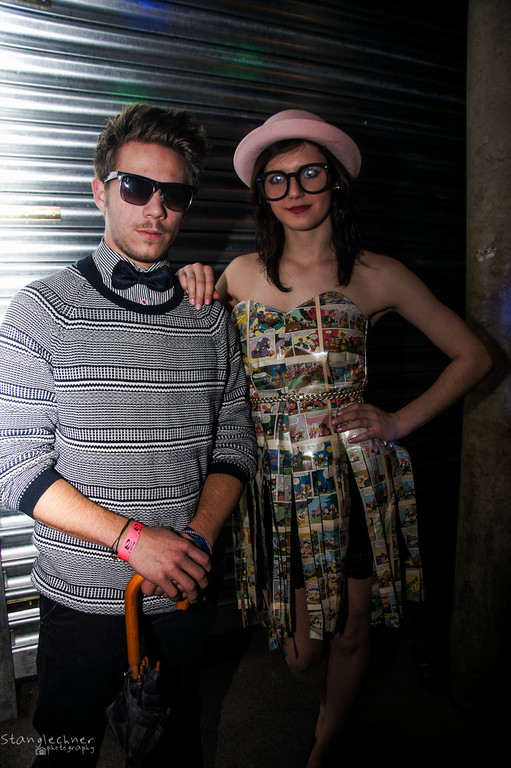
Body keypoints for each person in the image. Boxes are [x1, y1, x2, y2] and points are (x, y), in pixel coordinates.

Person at [178, 109, 493, 767]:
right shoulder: (239, 274)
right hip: (273, 487)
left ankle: (326, 745)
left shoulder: (377, 274)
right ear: (262, 194)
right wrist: (189, 284)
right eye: (276, 179)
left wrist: (398, 421)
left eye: (309, 174)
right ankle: (335, 706)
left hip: (351, 480)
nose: (293, 191)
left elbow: (474, 356)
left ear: (336, 182)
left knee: (351, 631)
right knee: (301, 652)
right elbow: (189, 360)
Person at [0, 102, 257, 767]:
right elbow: (15, 468)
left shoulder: (209, 317)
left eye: (175, 194)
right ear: (100, 191)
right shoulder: (42, 310)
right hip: (79, 597)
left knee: (172, 748)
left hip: (181, 590)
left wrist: (195, 541)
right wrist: (133, 541)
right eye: (136, 187)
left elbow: (234, 441)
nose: (156, 209)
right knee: (65, 747)